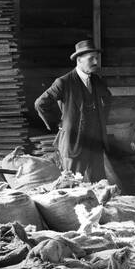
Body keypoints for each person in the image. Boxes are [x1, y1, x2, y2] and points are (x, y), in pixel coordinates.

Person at [34, 39, 115, 180]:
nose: (96, 62)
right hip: (74, 146)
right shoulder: (64, 82)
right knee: (73, 187)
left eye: (96, 58)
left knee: (99, 185)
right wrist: (59, 125)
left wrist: (101, 120)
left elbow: (108, 98)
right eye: (91, 59)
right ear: (79, 60)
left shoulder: (96, 81)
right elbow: (40, 103)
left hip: (95, 145)